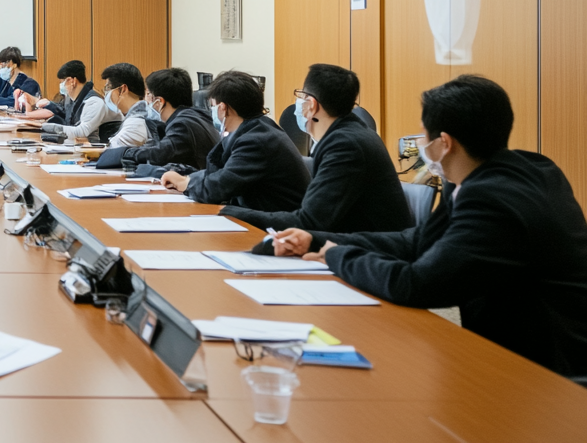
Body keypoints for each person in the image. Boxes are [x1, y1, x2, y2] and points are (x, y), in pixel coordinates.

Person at [272, 75, 587, 379]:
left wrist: (338, 257)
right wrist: (316, 239)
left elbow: (417, 285)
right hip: (516, 354)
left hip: (548, 374)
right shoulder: (522, 168)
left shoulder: (489, 199)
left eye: (424, 136)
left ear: (445, 143)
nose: (420, 144)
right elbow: (418, 242)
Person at [223, 64, 412, 233]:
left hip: (370, 255)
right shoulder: (347, 134)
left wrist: (233, 213)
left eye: (302, 96)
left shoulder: (345, 146)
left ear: (311, 105)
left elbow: (310, 222)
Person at [160, 70, 309, 212]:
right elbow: (221, 173)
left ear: (223, 108)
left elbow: (218, 188)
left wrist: (184, 183)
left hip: (279, 229)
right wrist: (188, 178)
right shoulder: (254, 129)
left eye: (213, 106)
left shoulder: (256, 140)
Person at [120, 67, 218, 170]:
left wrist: (122, 153)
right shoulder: (199, 116)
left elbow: (159, 153)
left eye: (149, 95)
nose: (146, 102)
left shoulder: (182, 124)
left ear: (159, 102)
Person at [21, 60, 107, 142]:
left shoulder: (94, 102)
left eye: (62, 82)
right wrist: (47, 104)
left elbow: (82, 132)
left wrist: (43, 127)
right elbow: (63, 113)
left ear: (72, 81)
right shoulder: (70, 99)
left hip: (90, 151)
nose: (61, 85)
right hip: (73, 144)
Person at [94, 62, 152, 148]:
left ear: (123, 89)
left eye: (108, 88)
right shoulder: (136, 115)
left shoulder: (137, 122)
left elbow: (113, 151)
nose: (106, 94)